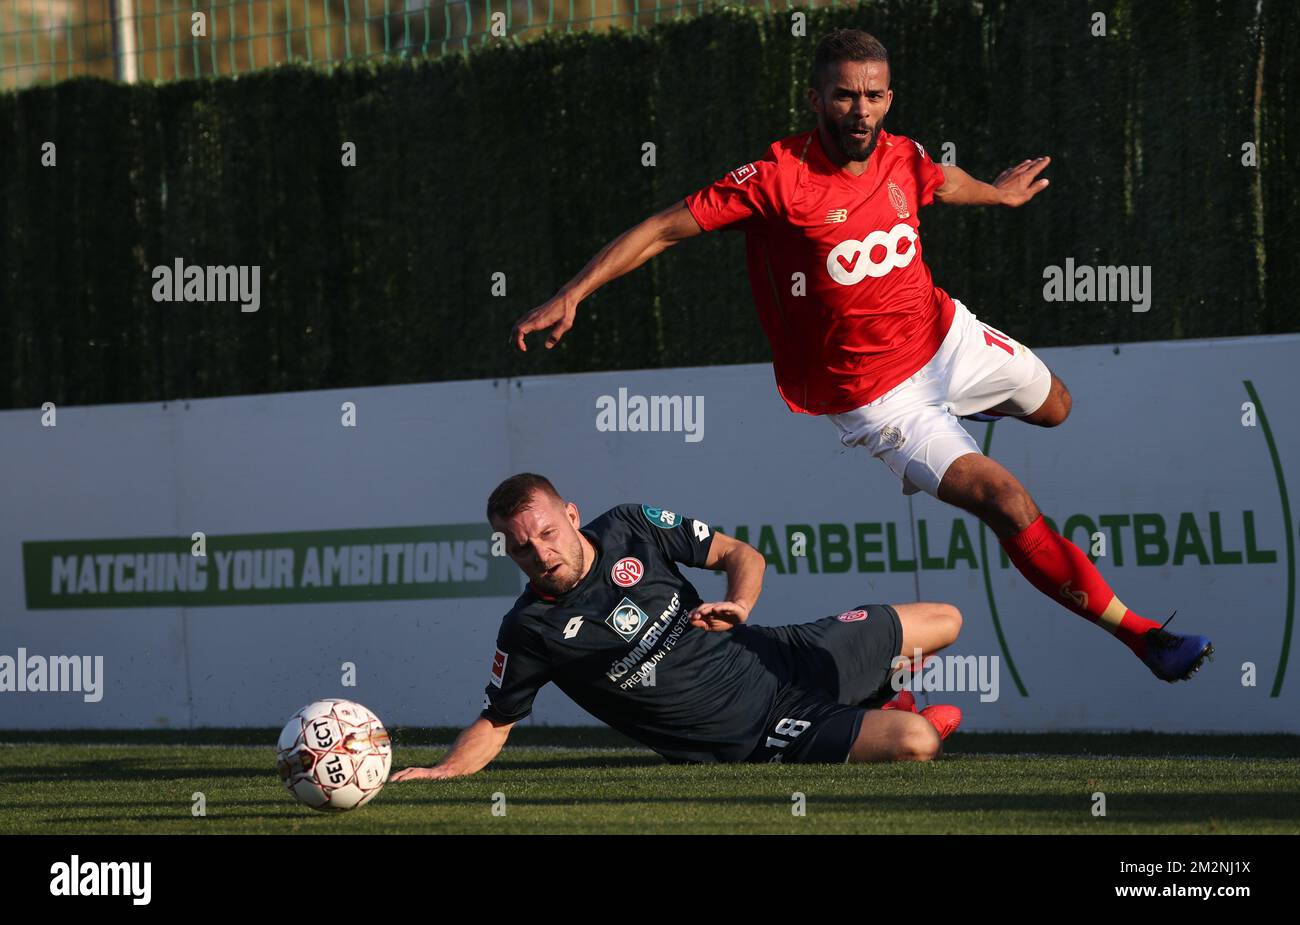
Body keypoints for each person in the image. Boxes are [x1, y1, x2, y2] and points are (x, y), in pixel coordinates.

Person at [506, 29, 1211, 683]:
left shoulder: (902, 154)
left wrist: (995, 194)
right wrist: (575, 291)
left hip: (948, 338)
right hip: (881, 399)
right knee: (1006, 498)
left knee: (1058, 407)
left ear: (890, 98)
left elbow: (939, 179)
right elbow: (664, 229)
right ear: (815, 98)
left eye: (874, 94)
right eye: (844, 94)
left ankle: (965, 416)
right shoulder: (777, 176)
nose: (860, 109)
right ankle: (1143, 634)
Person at [391, 473, 962, 780]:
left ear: (570, 514)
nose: (540, 554)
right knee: (919, 744)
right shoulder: (529, 629)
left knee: (945, 621)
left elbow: (743, 555)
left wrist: (738, 605)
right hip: (757, 731)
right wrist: (444, 769)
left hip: (777, 654)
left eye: (546, 533)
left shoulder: (631, 527)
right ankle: (884, 716)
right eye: (521, 548)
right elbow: (497, 719)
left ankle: (881, 700)